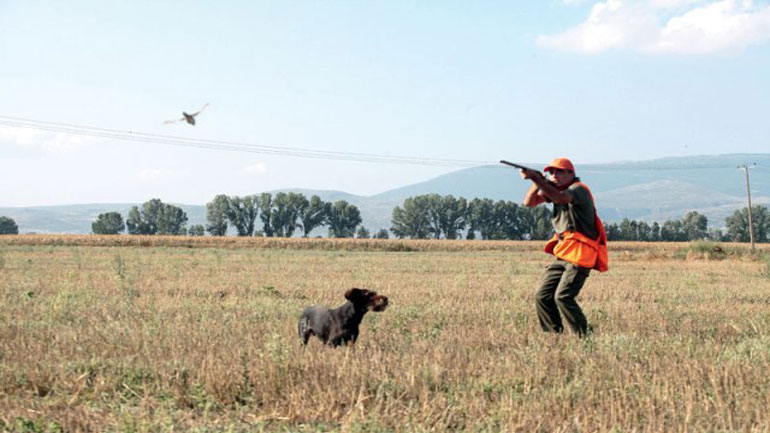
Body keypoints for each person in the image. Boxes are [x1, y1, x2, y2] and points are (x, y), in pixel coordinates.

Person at [520, 158, 608, 336]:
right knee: (542, 296)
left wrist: (539, 179)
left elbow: (560, 198)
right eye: (551, 172)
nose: (554, 175)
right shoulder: (554, 189)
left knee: (563, 297)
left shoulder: (579, 190)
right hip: (564, 253)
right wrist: (536, 180)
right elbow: (528, 203)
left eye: (559, 172)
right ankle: (553, 337)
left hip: (581, 254)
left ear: (571, 174)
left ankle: (584, 337)